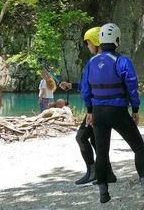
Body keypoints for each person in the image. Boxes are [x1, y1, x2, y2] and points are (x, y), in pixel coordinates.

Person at [80, 23, 144, 204]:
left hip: (98, 113)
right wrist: (135, 110)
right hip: (117, 111)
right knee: (138, 147)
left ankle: (104, 193)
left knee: (102, 153)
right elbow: (132, 87)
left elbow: (85, 90)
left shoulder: (90, 62)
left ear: (101, 41)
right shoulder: (122, 61)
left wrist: (89, 111)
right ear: (117, 40)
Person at [59, 26, 117, 185]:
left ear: (96, 42)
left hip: (98, 109)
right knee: (95, 140)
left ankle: (93, 172)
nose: (87, 46)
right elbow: (91, 84)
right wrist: (72, 85)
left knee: (82, 137)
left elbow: (89, 87)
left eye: (88, 42)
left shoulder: (95, 61)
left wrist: (90, 111)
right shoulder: (110, 59)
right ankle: (108, 173)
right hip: (110, 107)